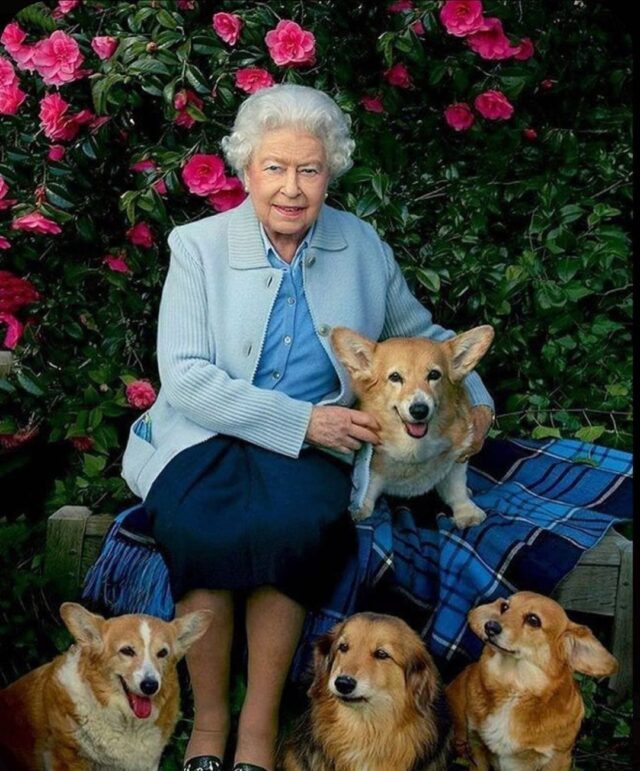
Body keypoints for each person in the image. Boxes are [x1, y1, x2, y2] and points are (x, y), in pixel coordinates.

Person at [121, 84, 494, 771]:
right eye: (275, 168)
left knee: (294, 529)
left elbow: (424, 337)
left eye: (310, 170)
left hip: (315, 447)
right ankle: (209, 727)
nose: (291, 188)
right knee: (201, 527)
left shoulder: (359, 245)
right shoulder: (198, 246)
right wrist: (304, 420)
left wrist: (478, 403)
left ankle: (258, 731)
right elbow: (187, 377)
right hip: (206, 432)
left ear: (330, 173)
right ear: (245, 170)